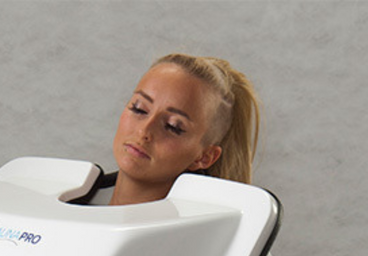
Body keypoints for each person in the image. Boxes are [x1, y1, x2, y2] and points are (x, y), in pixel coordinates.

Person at [95, 53, 261, 206]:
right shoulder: (74, 201)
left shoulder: (201, 237)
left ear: (205, 157)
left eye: (173, 126)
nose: (144, 131)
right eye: (139, 109)